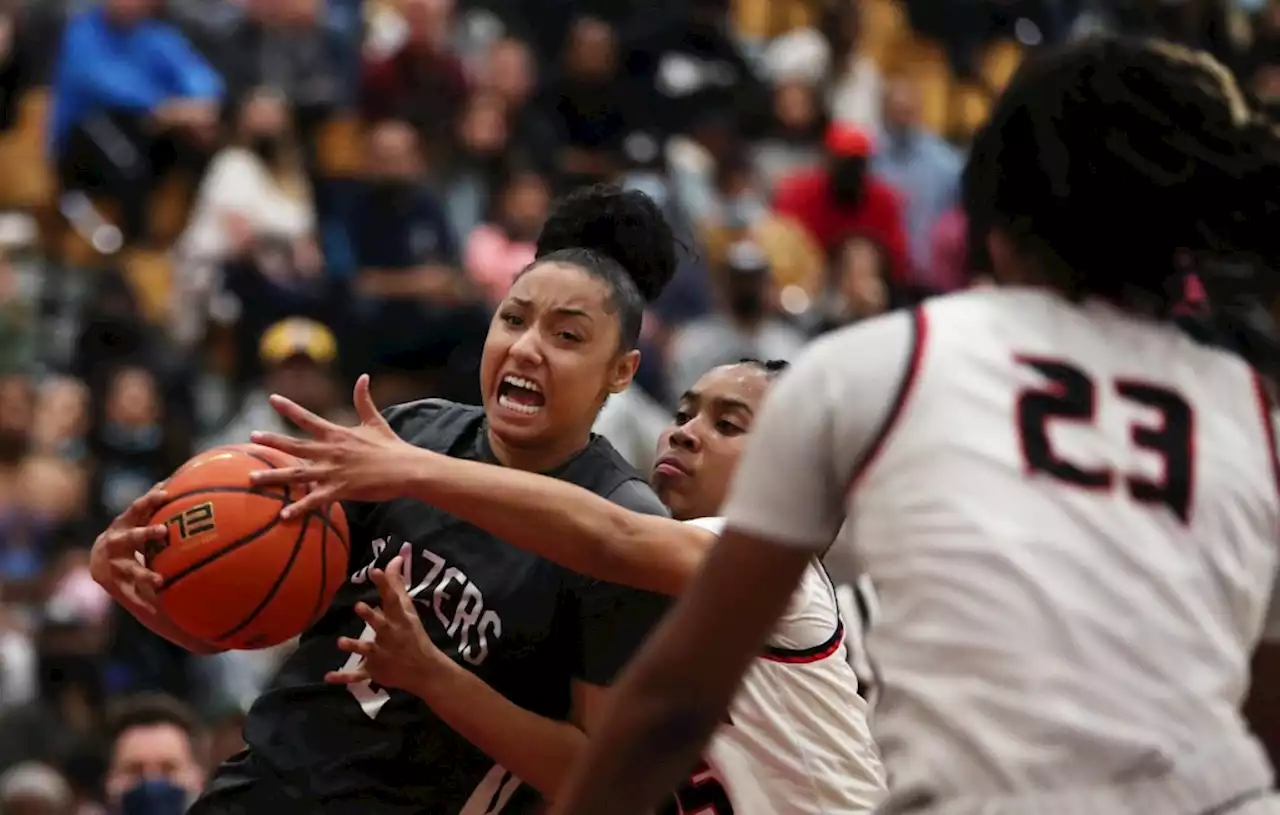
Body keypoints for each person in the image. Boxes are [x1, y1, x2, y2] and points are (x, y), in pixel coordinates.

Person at [545, 38, 1280, 815]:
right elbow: (1266, 722)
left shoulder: (888, 365)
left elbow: (673, 700)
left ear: (995, 215)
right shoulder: (1254, 417)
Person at [89, 185, 680, 814]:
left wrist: (435, 678)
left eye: (566, 336)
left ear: (623, 370)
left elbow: (603, 782)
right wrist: (145, 589)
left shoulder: (624, 524)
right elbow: (248, 618)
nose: (526, 347)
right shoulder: (412, 430)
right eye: (513, 319)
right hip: (262, 789)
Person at [251, 359, 886, 812]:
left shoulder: (779, 564)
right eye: (685, 412)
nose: (684, 431)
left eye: (729, 424)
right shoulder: (616, 603)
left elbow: (616, 537)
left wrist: (415, 469)